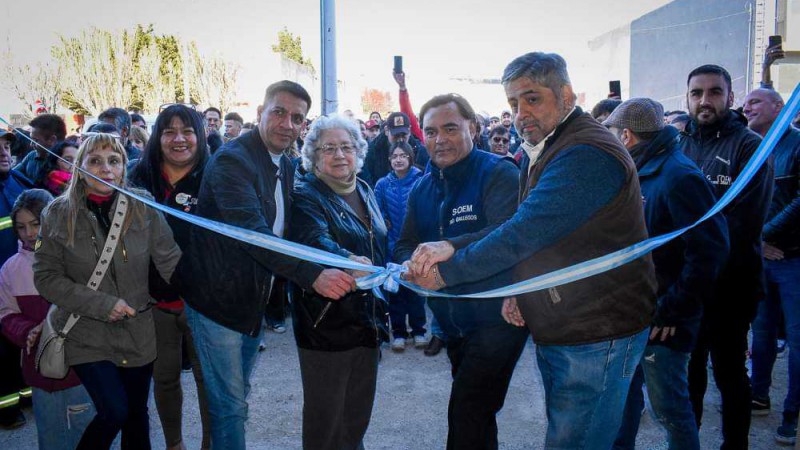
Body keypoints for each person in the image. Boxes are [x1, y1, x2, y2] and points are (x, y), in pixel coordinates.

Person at [408, 52, 657, 449]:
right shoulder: (550, 146)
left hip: (596, 329)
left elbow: (524, 232)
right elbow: (538, 233)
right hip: (571, 322)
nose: (521, 113)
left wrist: (447, 271)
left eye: (532, 98)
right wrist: (520, 287)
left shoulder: (585, 153)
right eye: (513, 103)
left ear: (567, 95)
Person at [179, 80, 356, 450]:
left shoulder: (287, 165)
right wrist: (314, 275)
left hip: (253, 302)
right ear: (260, 113)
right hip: (217, 305)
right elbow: (253, 234)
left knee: (236, 395)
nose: (287, 124)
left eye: (297, 118)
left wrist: (343, 258)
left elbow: (297, 228)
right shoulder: (232, 160)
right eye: (279, 112)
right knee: (229, 407)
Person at [33, 132, 182, 450]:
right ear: (80, 167)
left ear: (124, 166)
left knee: (137, 415)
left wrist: (208, 291)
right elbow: (46, 278)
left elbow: (170, 261)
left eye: (114, 161)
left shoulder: (143, 206)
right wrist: (102, 304)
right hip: (85, 332)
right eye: (95, 161)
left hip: (138, 333)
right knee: (115, 410)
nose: (105, 169)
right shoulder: (57, 213)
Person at [396, 93, 527, 450]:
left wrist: (451, 246)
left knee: (466, 410)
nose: (440, 139)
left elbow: (508, 234)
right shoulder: (422, 186)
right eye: (431, 131)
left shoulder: (499, 172)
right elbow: (405, 242)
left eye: (450, 128)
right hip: (451, 323)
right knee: (477, 414)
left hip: (497, 321)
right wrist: (411, 265)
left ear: (473, 127)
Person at [603, 98, 729, 450]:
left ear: (626, 135)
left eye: (611, 132)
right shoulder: (639, 169)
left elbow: (710, 249)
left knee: (670, 411)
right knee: (622, 402)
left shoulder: (678, 175)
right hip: (631, 313)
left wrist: (673, 309)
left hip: (662, 320)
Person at [679, 64, 773, 450]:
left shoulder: (749, 146)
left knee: (730, 374)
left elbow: (746, 222)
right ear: (686, 98)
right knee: (691, 373)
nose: (705, 100)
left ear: (730, 98)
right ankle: (690, 442)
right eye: (697, 93)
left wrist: (699, 263)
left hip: (731, 286)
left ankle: (735, 445)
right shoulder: (681, 144)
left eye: (714, 92)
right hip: (690, 285)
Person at [290, 114, 389, 450]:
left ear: (358, 151)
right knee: (326, 426)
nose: (339, 155)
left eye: (346, 147)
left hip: (368, 323)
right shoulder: (305, 194)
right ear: (313, 155)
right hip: (326, 326)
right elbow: (314, 239)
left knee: (355, 421)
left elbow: (379, 243)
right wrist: (347, 261)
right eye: (328, 148)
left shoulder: (364, 188)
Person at [129, 104, 211, 450]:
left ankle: (212, 443)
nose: (179, 139)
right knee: (163, 379)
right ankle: (174, 444)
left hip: (203, 303)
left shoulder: (215, 176)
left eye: (187, 131)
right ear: (157, 137)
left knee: (211, 384)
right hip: (153, 302)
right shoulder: (136, 177)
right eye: (169, 131)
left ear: (200, 136)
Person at [0, 189, 95, 449]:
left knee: (87, 434)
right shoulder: (10, 270)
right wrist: (27, 331)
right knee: (51, 438)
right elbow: (6, 313)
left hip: (81, 371)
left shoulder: (79, 258)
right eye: (21, 227)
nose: (29, 233)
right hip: (40, 375)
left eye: (36, 223)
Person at [743, 87, 800, 445]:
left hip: (793, 258)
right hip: (760, 258)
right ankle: (758, 395)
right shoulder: (751, 147)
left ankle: (792, 413)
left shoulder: (796, 145)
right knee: (761, 334)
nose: (747, 106)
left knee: (797, 340)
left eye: (756, 101)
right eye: (745, 101)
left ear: (779, 107)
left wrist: (765, 234)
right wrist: (757, 243)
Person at [374, 142, 426, 351]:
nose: (398, 159)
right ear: (389, 159)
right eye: (394, 156)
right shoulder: (382, 184)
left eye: (403, 155)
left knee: (415, 289)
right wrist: (383, 219)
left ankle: (419, 331)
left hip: (416, 245)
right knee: (395, 292)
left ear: (410, 158)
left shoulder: (421, 180)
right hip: (391, 245)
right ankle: (398, 333)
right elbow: (376, 211)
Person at [0, 128, 33, 430]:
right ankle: (6, 408)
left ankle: (26, 396)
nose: (4, 152)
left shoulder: (19, 183)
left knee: (20, 345)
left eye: (6, 145)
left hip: (23, 282)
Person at [14, 114, 67, 183]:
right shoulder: (32, 156)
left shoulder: (67, 164)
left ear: (51, 140)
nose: (31, 144)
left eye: (35, 140)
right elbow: (12, 174)